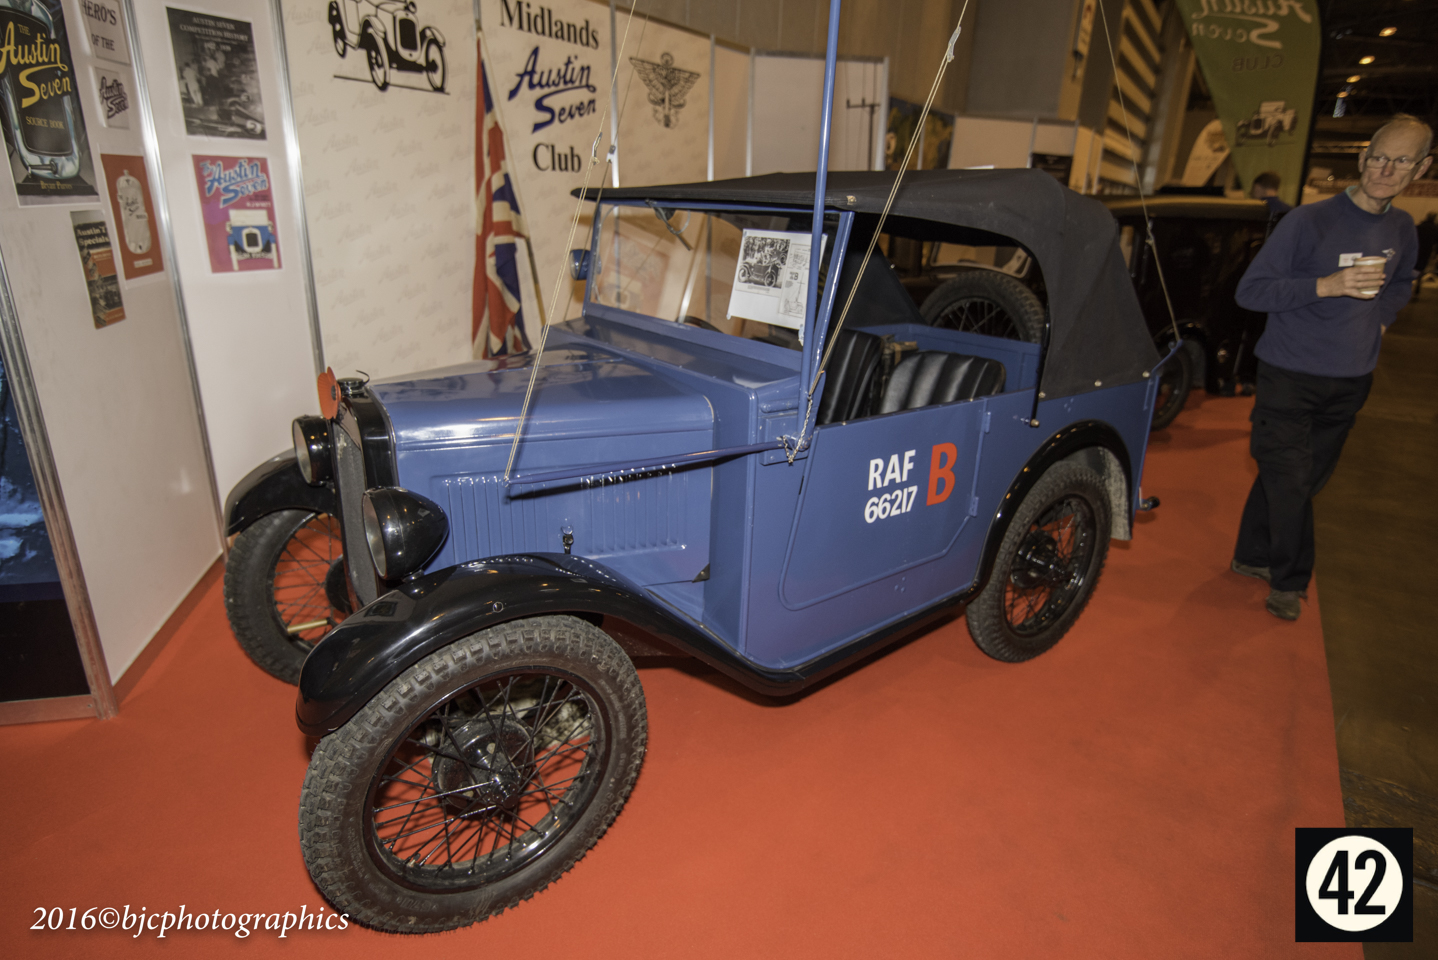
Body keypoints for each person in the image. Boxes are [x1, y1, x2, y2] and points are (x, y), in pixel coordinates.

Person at [1231, 115, 1432, 621]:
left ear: (1422, 169)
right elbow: (1250, 291)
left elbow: (1401, 282)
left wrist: (1381, 321)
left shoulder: (1402, 228)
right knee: (1291, 480)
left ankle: (1251, 553)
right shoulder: (1307, 221)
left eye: (1401, 161)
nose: (1386, 170)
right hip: (1288, 374)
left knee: (1300, 480)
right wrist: (1326, 285)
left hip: (1350, 380)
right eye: (1379, 157)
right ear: (1362, 159)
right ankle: (1290, 580)